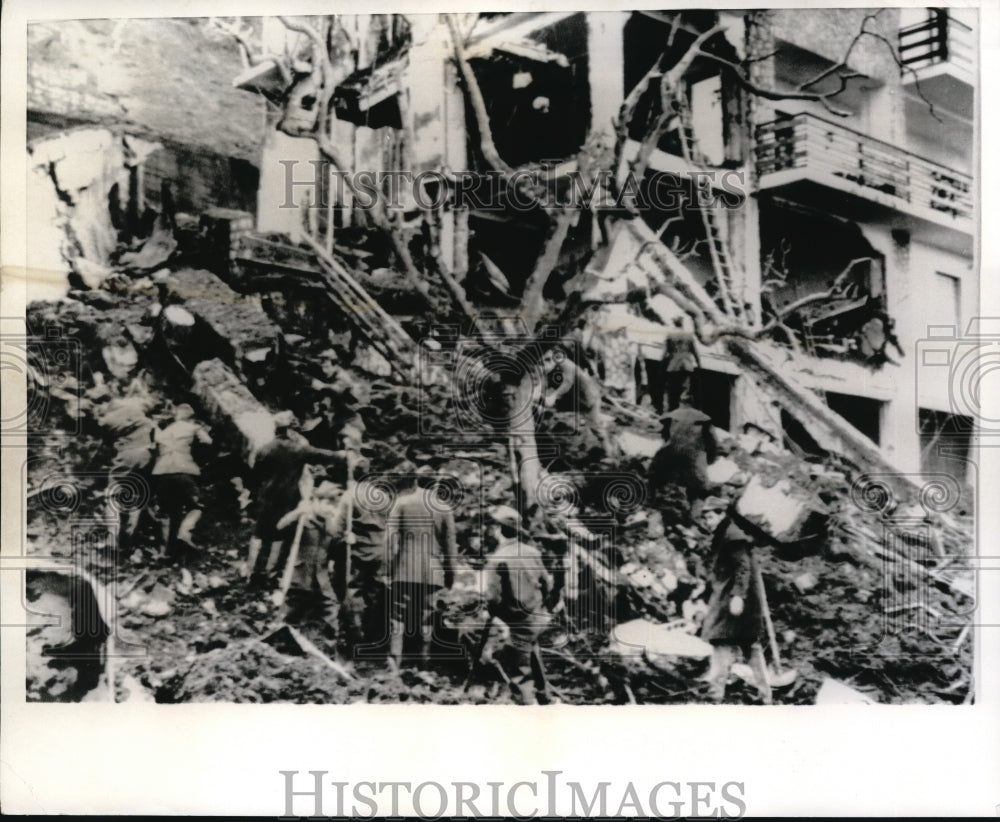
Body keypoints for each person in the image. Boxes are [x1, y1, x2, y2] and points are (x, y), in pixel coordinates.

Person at [245, 412, 346, 583]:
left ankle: (252, 572)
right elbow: (326, 455)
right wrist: (344, 454)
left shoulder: (265, 449)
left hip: (267, 496)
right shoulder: (298, 449)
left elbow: (254, 475)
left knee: (261, 534)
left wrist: (255, 493)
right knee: (281, 534)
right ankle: (271, 572)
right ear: (290, 431)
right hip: (287, 497)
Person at [481, 505, 559, 705]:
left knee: (517, 668)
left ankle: (526, 706)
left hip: (518, 621)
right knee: (531, 651)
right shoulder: (531, 551)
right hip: (537, 616)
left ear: (498, 530)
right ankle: (544, 695)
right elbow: (547, 583)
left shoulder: (497, 560)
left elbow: (493, 599)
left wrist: (496, 615)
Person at [385, 465, 457, 670]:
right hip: (433, 573)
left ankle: (394, 665)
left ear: (415, 480)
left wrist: (388, 570)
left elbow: (390, 541)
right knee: (427, 618)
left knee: (397, 618)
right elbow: (451, 549)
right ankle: (424, 664)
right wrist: (451, 577)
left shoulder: (401, 503)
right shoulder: (444, 508)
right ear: (435, 484)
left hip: (404, 570)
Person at [699, 509, 772, 705]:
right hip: (732, 600)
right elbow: (721, 572)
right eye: (705, 518)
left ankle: (715, 695)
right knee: (749, 646)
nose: (708, 521)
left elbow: (743, 568)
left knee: (722, 642)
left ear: (721, 514)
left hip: (734, 602)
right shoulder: (725, 535)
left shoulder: (732, 536)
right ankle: (765, 695)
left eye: (711, 516)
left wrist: (738, 596)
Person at [274, 480, 347, 640]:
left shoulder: (330, 527)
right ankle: (282, 644)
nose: (331, 509)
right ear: (317, 501)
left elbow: (336, 550)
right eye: (329, 504)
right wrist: (297, 512)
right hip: (299, 578)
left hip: (321, 579)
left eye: (335, 506)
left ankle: (334, 646)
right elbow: (279, 527)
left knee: (332, 612)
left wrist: (346, 540)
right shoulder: (302, 521)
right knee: (290, 616)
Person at [97, 380, 157, 551]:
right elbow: (150, 405)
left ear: (105, 403)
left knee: (113, 495)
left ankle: (113, 537)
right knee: (138, 495)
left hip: (128, 454)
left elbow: (108, 444)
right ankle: (131, 536)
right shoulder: (136, 407)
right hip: (148, 454)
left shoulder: (107, 419)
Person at [151, 402, 212, 557]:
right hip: (184, 470)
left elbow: (155, 446)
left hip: (161, 473)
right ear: (191, 418)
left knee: (169, 512)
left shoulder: (164, 431)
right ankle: (185, 532)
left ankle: (165, 552)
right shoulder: (193, 427)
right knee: (196, 506)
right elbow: (207, 441)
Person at [648, 402, 718, 522]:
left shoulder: (672, 416)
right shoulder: (704, 420)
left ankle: (653, 507)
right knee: (699, 489)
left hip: (669, 454)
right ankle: (693, 518)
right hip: (693, 457)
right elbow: (713, 444)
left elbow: (664, 436)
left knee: (655, 478)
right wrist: (709, 460)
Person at [663, 315, 700, 411]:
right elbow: (695, 352)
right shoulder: (689, 335)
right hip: (687, 365)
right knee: (684, 389)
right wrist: (699, 365)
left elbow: (664, 352)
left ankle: (673, 410)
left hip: (674, 366)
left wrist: (661, 365)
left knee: (673, 391)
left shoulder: (670, 335)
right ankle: (682, 408)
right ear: (682, 323)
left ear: (674, 323)